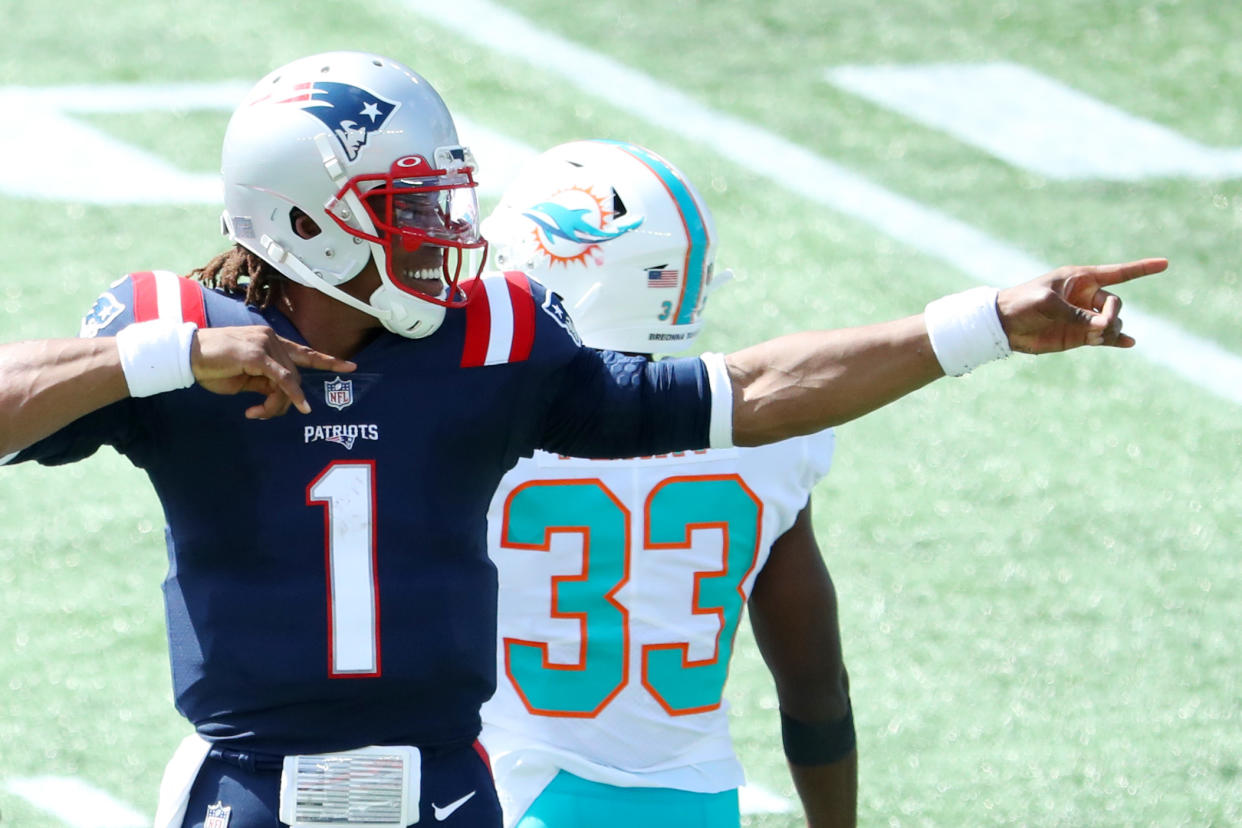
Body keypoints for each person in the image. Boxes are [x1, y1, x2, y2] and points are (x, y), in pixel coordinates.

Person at [0, 50, 1162, 828]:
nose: (449, 233)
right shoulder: (174, 333)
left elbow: (740, 390)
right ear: (305, 217)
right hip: (249, 792)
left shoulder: (490, 336)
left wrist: (980, 326)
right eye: (409, 209)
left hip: (451, 793)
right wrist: (152, 363)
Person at [477, 139, 855, 828]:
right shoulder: (769, 441)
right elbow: (816, 688)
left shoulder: (478, 417)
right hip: (697, 805)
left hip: (513, 793)